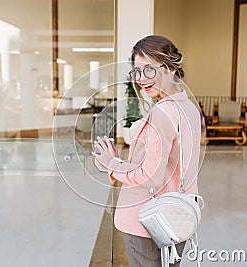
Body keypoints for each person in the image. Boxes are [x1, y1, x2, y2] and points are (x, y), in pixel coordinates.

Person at [92, 35, 202, 267]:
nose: (141, 79)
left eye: (149, 70)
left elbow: (151, 177)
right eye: (137, 71)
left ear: (171, 68)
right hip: (178, 216)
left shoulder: (163, 113)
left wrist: (111, 163)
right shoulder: (188, 107)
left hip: (147, 221)